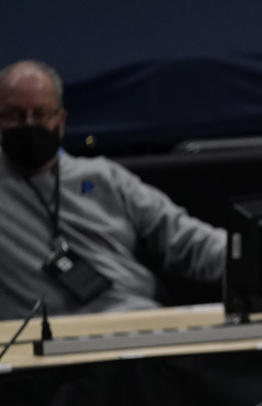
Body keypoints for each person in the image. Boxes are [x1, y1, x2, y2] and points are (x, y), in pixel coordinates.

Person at [0, 59, 224, 320]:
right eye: (14, 115)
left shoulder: (103, 176)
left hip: (133, 321)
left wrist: (255, 258)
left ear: (60, 119)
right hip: (41, 343)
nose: (28, 125)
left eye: (39, 114)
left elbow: (186, 238)